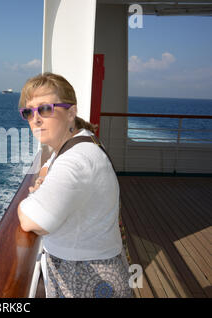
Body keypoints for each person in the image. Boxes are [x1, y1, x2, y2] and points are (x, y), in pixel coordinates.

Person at [17, 72, 133, 298]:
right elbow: (49, 165)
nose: (36, 119)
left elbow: (34, 221)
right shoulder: (81, 140)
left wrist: (25, 204)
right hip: (100, 269)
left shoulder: (76, 160)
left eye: (45, 109)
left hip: (87, 280)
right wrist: (44, 178)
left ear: (71, 112)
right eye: (28, 112)